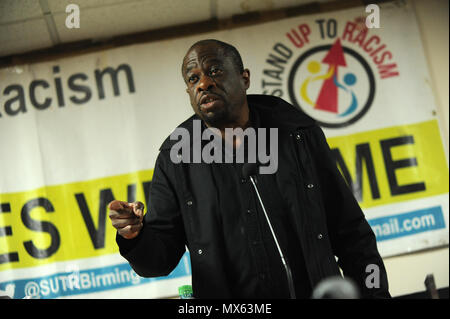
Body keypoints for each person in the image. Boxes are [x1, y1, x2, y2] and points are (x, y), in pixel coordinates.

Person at [108, 39, 391, 299]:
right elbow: (157, 262)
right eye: (193, 79)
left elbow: (351, 233)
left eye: (215, 71)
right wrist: (134, 237)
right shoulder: (176, 159)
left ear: (244, 78)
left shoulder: (296, 134)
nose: (203, 84)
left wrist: (375, 296)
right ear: (189, 93)